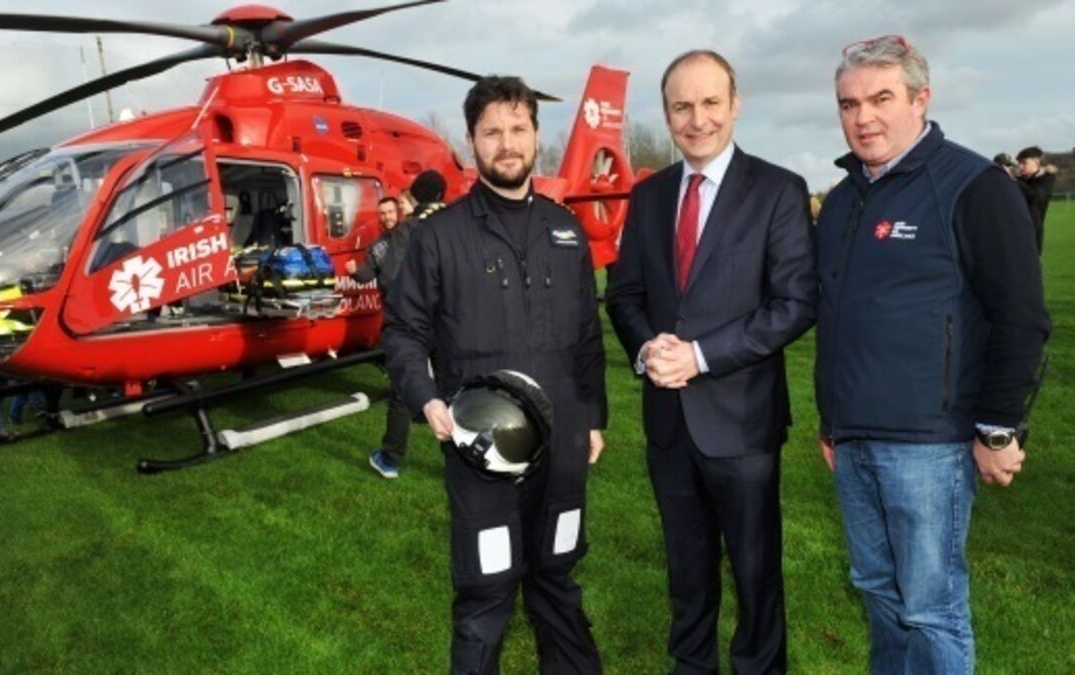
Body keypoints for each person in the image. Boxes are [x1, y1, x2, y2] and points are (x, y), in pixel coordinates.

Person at [816, 36, 1049, 673]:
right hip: (853, 439)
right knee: (877, 592)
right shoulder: (843, 200)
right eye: (849, 104)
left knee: (931, 608)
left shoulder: (974, 185)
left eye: (881, 99)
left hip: (929, 444)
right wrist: (830, 421)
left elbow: (1021, 317)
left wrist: (998, 428)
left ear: (921, 99)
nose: (863, 117)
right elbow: (835, 313)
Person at [384, 75, 607, 674]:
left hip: (562, 448)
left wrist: (593, 417)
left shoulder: (567, 232)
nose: (506, 143)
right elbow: (403, 332)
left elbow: (588, 335)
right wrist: (426, 399)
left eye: (517, 129)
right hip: (481, 447)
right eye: (492, 133)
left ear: (535, 134)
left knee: (556, 580)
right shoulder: (438, 237)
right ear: (471, 142)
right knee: (486, 593)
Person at [605, 50, 816, 674]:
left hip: (743, 424)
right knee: (686, 571)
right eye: (682, 106)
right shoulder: (648, 196)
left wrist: (699, 356)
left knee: (755, 576)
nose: (697, 120)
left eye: (710, 103)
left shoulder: (778, 190)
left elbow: (795, 304)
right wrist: (647, 347)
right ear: (667, 114)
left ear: (735, 104)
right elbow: (624, 294)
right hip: (669, 426)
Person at [348, 174, 448, 479]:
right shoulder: (456, 224)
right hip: (448, 321)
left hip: (413, 322)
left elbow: (391, 277)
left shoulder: (409, 229)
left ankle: (390, 458)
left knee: (403, 390)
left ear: (413, 198)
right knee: (454, 389)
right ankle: (461, 460)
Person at [1015, 146, 1056, 254]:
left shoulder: (1046, 178)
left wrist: (1015, 180)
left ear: (1036, 162)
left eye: (1024, 163)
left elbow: (1036, 196)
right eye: (1019, 163)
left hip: (1032, 234)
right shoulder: (1021, 180)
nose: (1020, 166)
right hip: (1015, 231)